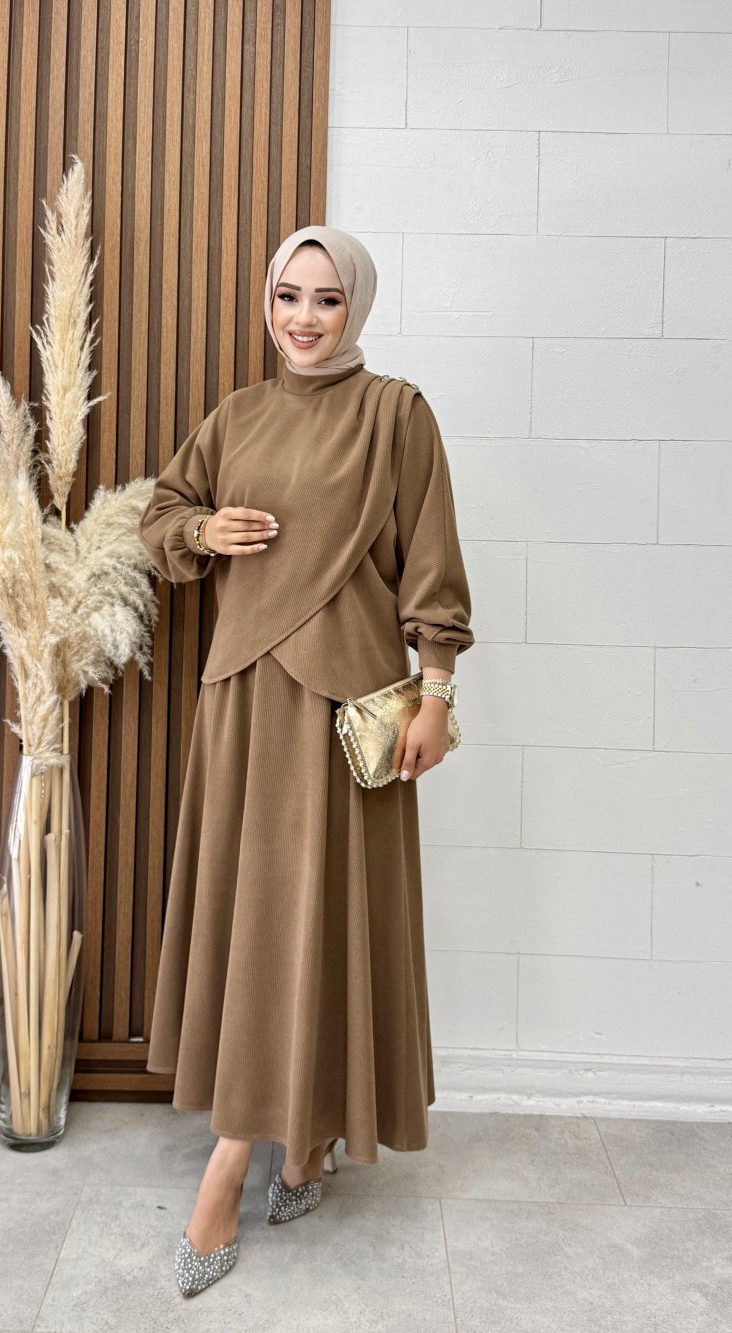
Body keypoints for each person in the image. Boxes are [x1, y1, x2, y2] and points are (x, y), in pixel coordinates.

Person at [138, 224, 474, 1297]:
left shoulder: (396, 413)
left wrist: (437, 691)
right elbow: (160, 515)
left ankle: (253, 1159)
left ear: (355, 307)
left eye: (327, 299)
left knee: (327, 917)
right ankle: (280, 1148)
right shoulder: (235, 415)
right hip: (244, 703)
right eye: (288, 295)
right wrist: (202, 535)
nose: (304, 317)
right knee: (260, 922)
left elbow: (432, 562)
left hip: (347, 711)